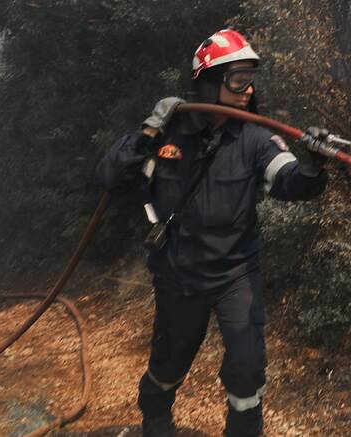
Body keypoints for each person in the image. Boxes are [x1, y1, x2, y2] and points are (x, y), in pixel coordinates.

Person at [97, 28, 330, 437]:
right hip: (178, 271)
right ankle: (155, 418)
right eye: (236, 79)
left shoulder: (256, 138)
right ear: (208, 81)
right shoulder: (169, 133)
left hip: (235, 272)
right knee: (171, 360)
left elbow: (290, 180)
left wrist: (311, 167)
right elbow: (111, 178)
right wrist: (148, 131)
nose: (246, 89)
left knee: (247, 363)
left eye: (250, 79)